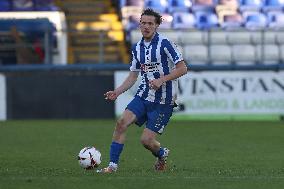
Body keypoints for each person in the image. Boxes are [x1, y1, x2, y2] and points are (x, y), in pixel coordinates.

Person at [97, 8, 188, 173]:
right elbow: (133, 77)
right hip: (144, 95)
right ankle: (112, 166)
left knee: (146, 141)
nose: (146, 26)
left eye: (150, 23)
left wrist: (162, 79)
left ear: (156, 26)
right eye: (143, 23)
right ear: (139, 24)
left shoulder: (165, 43)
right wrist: (117, 92)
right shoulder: (137, 47)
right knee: (121, 123)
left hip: (163, 101)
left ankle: (161, 154)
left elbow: (182, 68)